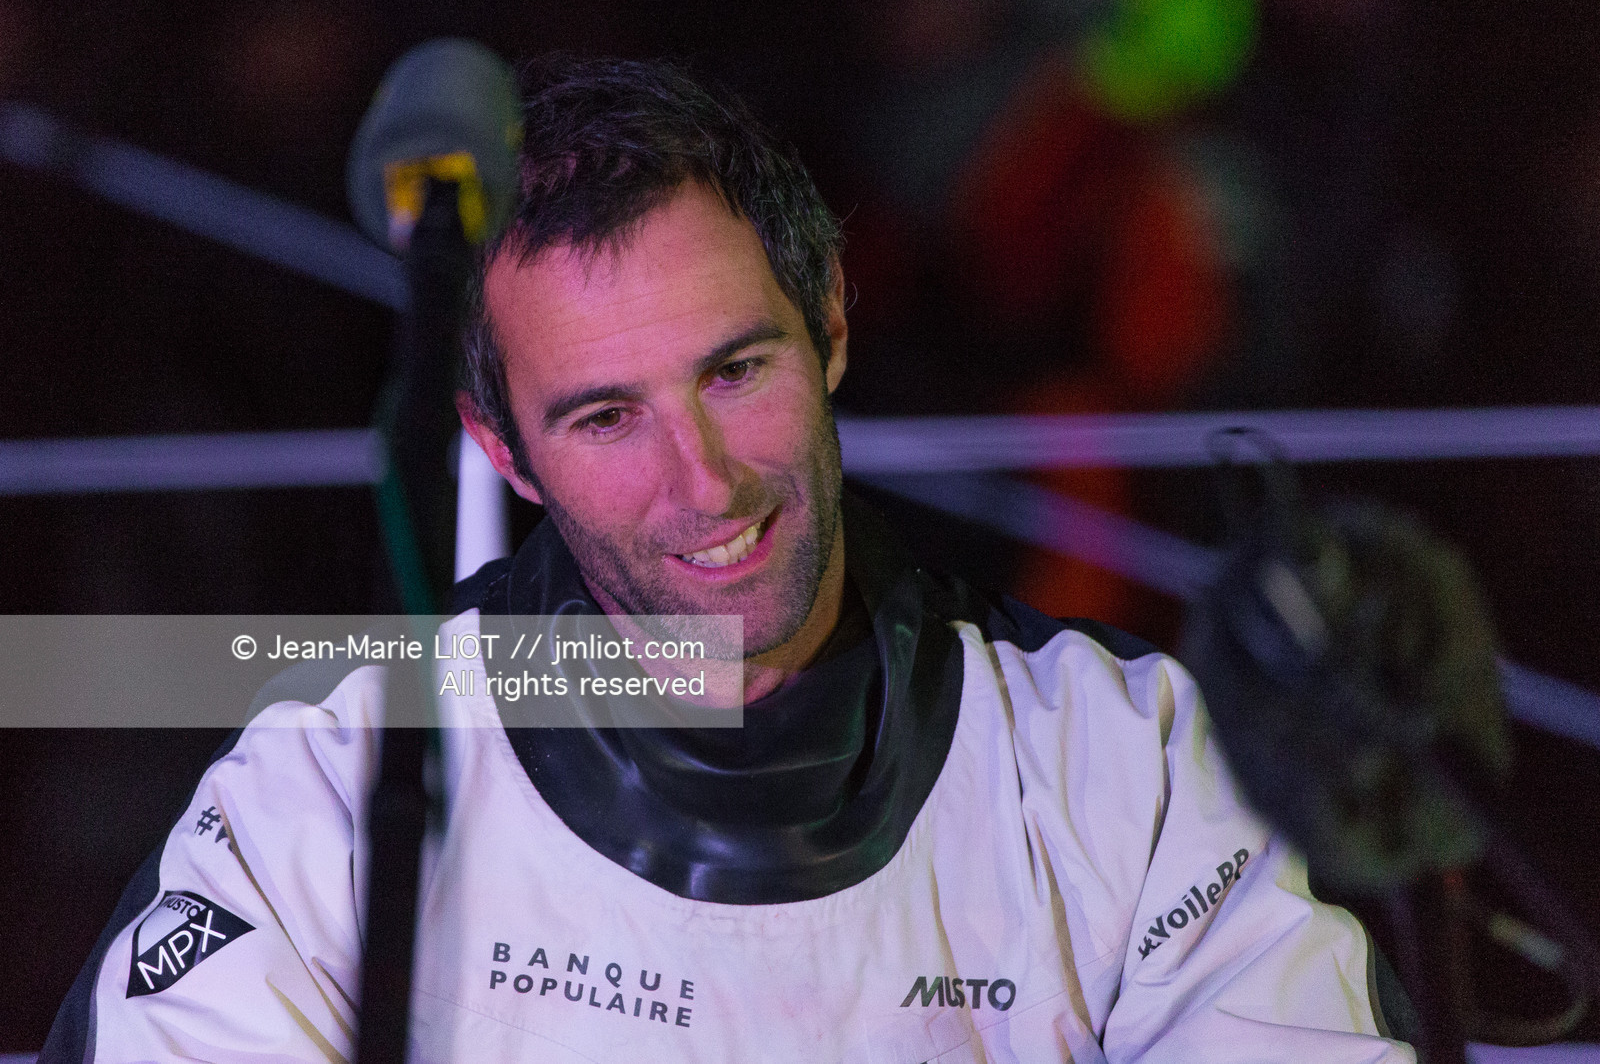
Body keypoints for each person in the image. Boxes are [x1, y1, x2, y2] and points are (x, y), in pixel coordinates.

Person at [43, 56, 1413, 1063]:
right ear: (502, 446)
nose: (703, 480)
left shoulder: (1123, 763)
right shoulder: (333, 777)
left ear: (827, 324)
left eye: (735, 368)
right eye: (605, 416)